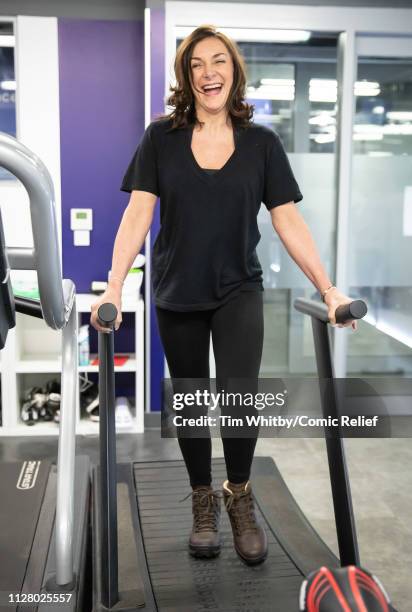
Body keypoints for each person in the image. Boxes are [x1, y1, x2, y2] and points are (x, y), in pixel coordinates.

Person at [90, 24, 358, 566]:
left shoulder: (261, 143)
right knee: (189, 402)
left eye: (219, 62)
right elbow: (138, 213)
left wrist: (327, 289)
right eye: (197, 66)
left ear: (233, 71)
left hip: (239, 289)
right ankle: (201, 500)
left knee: (238, 398)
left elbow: (287, 219)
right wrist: (114, 285)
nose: (209, 73)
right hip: (177, 290)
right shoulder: (160, 137)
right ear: (186, 79)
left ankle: (238, 495)